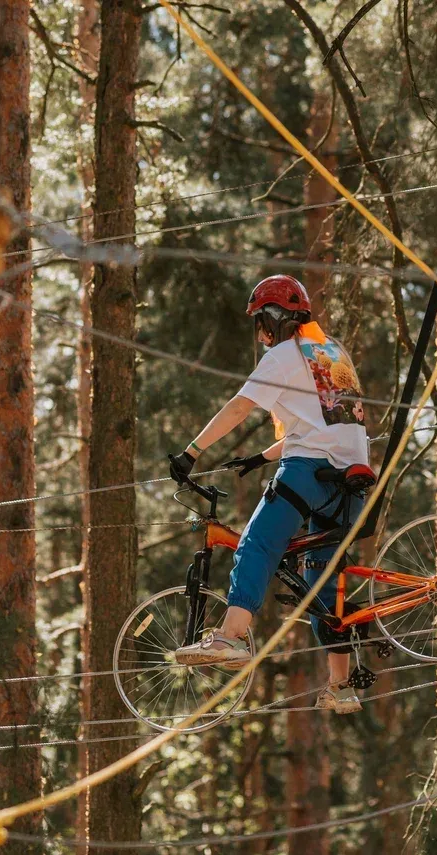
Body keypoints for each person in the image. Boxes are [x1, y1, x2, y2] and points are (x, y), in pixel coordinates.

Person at [168, 274, 369, 713]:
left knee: (257, 543)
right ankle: (340, 687)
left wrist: (191, 453)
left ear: (274, 319)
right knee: (323, 584)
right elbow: (325, 421)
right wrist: (261, 458)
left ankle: (231, 637)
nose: (260, 335)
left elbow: (240, 407)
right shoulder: (331, 351)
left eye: (261, 323)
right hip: (352, 478)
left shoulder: (282, 355)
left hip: (309, 473)